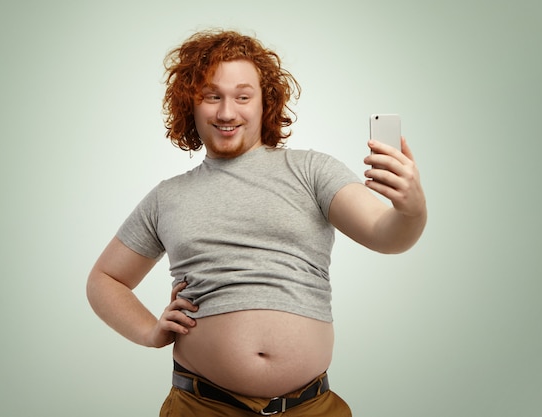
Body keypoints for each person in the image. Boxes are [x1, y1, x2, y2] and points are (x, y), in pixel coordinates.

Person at [87, 29, 427, 416]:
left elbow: (387, 236)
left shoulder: (311, 171)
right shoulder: (167, 197)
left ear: (265, 104)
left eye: (243, 97)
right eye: (212, 96)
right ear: (190, 105)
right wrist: (150, 332)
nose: (227, 112)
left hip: (311, 407)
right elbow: (105, 280)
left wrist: (411, 209)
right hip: (201, 407)